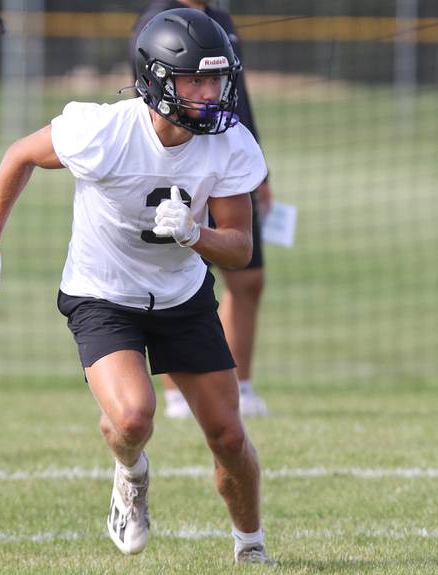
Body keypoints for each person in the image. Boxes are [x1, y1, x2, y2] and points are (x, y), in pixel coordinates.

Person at [0, 8, 274, 564]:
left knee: (228, 435)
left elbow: (240, 247)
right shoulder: (105, 130)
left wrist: (196, 234)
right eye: (194, 81)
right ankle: (130, 474)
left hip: (181, 295)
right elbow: (20, 155)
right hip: (102, 293)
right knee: (132, 417)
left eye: (217, 80)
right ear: (157, 79)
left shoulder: (230, 141)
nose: (210, 94)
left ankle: (250, 547)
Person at [131, 0, 271, 419]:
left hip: (225, 162)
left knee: (248, 276)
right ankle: (177, 393)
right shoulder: (158, 20)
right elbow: (149, 99)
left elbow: (240, 100)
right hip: (183, 168)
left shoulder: (220, 18)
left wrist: (261, 172)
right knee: (174, 278)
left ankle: (240, 385)